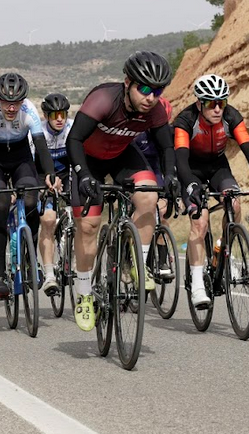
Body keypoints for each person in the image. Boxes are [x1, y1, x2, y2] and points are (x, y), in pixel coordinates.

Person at [66, 51, 178, 332]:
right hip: (88, 159)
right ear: (127, 82)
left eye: (157, 91)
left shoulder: (154, 110)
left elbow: (166, 147)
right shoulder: (103, 100)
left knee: (149, 195)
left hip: (121, 156)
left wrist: (172, 179)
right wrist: (83, 176)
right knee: (89, 226)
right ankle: (83, 294)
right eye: (144, 88)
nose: (151, 97)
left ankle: (136, 265)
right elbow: (74, 139)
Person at [175, 73, 249, 309]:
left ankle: (224, 252)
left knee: (235, 202)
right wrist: (189, 185)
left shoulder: (231, 117)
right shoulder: (186, 120)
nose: (218, 108)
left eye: (222, 102)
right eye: (211, 103)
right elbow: (180, 159)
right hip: (191, 169)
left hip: (218, 167)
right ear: (199, 103)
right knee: (200, 221)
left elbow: (248, 149)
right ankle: (198, 282)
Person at [0, 72, 60, 300]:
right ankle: (0, 275)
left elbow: (41, 148)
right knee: (0, 204)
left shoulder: (29, 110)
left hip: (21, 158)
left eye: (16, 103)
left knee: (31, 200)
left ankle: (32, 259)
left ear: (23, 101)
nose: (12, 108)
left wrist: (50, 174)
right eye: (6, 103)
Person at [132, 95, 176, 280]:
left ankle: (162, 260)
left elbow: (172, 163)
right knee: (136, 210)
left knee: (161, 214)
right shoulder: (137, 133)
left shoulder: (170, 134)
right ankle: (127, 251)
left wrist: (174, 190)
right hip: (136, 168)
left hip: (157, 170)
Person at [36, 93, 73, 297]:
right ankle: (50, 274)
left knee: (82, 217)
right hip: (42, 176)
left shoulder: (72, 128)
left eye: (63, 114)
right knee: (48, 220)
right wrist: (45, 184)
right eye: (55, 115)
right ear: (46, 116)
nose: (60, 119)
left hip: (67, 174)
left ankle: (71, 253)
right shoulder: (38, 132)